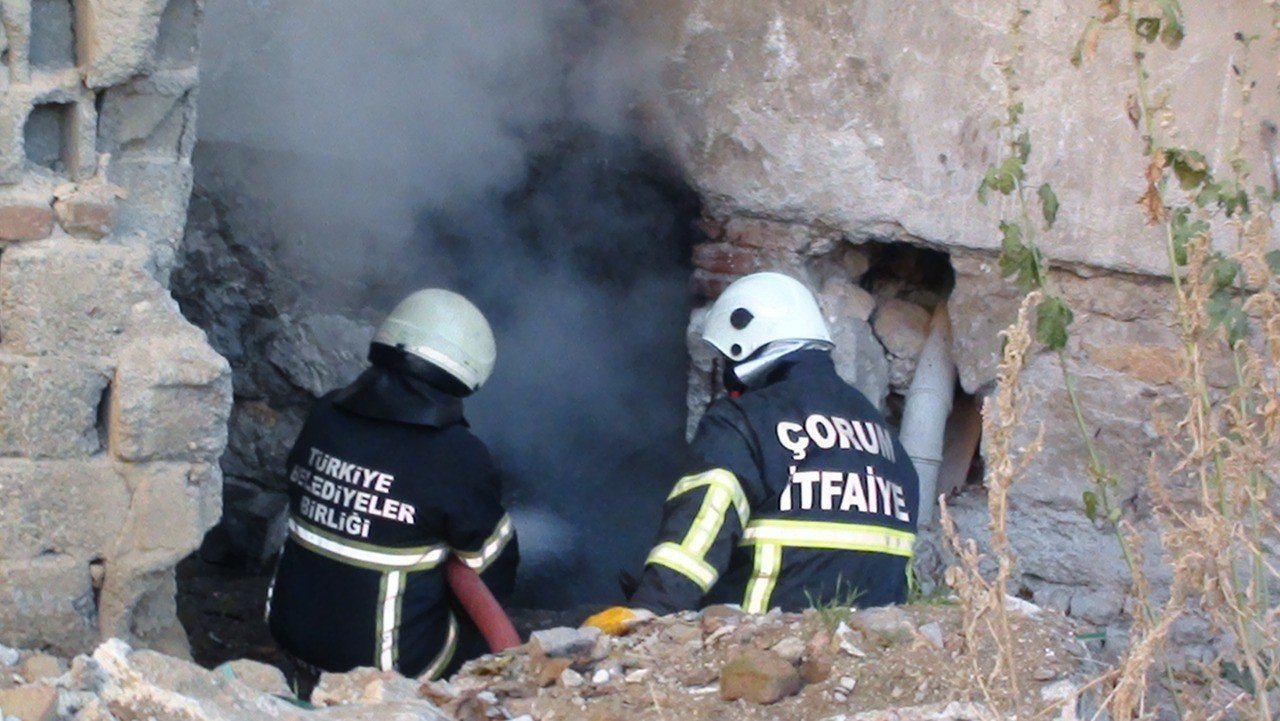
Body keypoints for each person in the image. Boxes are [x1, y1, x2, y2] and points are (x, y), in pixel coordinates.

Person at [587, 272, 918, 633]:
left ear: (742, 344)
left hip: (765, 645)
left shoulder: (746, 419)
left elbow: (700, 530)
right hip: (865, 649)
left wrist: (649, 612)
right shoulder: (883, 437)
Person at [268, 289, 517, 684]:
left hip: (292, 632)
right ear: (467, 375)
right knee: (483, 643)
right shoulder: (457, 455)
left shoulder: (325, 415)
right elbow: (494, 568)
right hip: (384, 668)